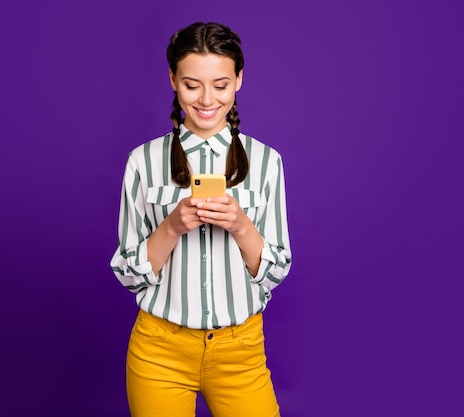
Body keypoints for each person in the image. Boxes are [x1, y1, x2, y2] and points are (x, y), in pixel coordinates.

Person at [110, 22, 292, 417]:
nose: (207, 99)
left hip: (240, 350)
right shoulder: (142, 162)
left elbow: (276, 271)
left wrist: (241, 225)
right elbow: (128, 273)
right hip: (160, 350)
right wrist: (172, 225)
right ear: (173, 79)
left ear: (239, 80)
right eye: (192, 85)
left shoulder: (266, 162)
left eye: (221, 85)